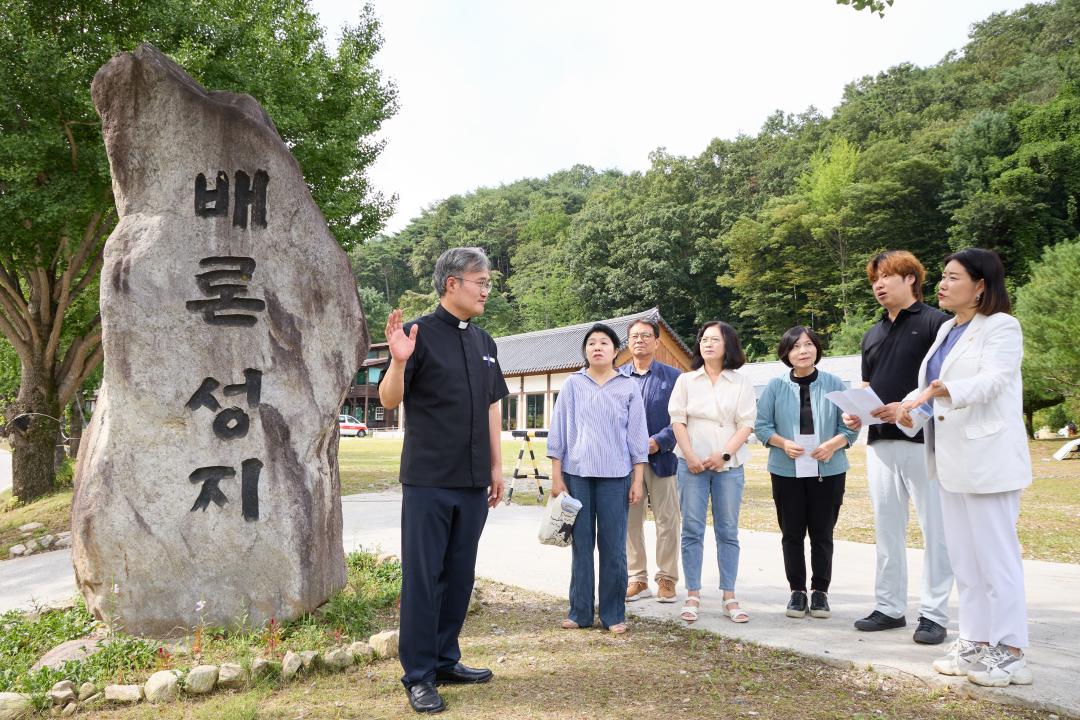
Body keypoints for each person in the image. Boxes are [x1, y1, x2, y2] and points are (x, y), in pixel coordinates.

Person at [379, 247, 509, 714]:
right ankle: (417, 675)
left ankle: (445, 658)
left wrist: (496, 467)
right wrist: (397, 362)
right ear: (452, 283)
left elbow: (493, 407)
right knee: (423, 577)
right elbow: (390, 400)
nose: (486, 291)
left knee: (459, 575)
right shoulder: (417, 333)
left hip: (473, 480)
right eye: (481, 282)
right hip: (428, 479)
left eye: (488, 283)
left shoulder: (485, 342)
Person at [896, 248, 1034, 687]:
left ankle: (1011, 652)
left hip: (988, 460)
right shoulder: (946, 333)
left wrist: (939, 389)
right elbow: (931, 397)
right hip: (950, 463)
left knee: (996, 560)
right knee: (965, 561)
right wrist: (906, 413)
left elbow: (992, 381)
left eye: (953, 277)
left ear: (980, 286)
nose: (942, 283)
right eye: (942, 276)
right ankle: (975, 642)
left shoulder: (1002, 328)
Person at [845, 250, 953, 645]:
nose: (878, 284)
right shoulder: (872, 333)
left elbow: (943, 384)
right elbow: (865, 385)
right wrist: (855, 415)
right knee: (887, 530)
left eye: (887, 275)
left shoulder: (936, 324)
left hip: (924, 441)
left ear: (910, 278)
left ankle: (934, 614)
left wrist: (908, 406)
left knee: (934, 529)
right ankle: (889, 607)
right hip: (879, 443)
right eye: (874, 278)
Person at [548, 323, 648, 634]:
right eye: (591, 343)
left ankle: (613, 613)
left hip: (616, 476)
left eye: (604, 342)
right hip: (577, 475)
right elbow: (558, 432)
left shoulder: (627, 386)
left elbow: (637, 437)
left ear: (616, 350)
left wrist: (637, 480)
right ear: (585, 351)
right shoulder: (573, 385)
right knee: (581, 544)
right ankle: (579, 612)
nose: (597, 347)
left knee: (613, 545)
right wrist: (556, 475)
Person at [754, 326, 859, 619]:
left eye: (809, 344)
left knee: (823, 533)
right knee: (792, 533)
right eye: (796, 346)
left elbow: (850, 426)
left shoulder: (835, 383)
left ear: (817, 349)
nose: (803, 350)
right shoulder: (775, 386)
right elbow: (762, 427)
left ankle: (820, 592)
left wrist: (833, 445)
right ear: (786, 353)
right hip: (786, 471)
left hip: (829, 469)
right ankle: (797, 591)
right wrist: (783, 443)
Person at [668, 321, 756, 624]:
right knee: (692, 529)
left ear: (727, 345)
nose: (707, 344)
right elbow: (677, 420)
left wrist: (724, 454)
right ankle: (692, 593)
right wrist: (690, 455)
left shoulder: (740, 382)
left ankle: (729, 595)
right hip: (690, 463)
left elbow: (746, 423)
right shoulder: (686, 381)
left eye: (714, 340)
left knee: (727, 531)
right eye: (703, 339)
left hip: (728, 465)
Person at [620, 318, 683, 604]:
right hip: (626, 463)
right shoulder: (618, 377)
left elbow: (682, 419)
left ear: (657, 342)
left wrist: (658, 441)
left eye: (646, 335)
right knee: (631, 521)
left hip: (662, 458)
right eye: (634, 336)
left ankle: (667, 578)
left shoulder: (673, 377)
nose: (640, 340)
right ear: (628, 342)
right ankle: (637, 578)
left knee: (667, 520)